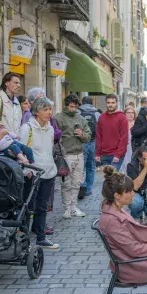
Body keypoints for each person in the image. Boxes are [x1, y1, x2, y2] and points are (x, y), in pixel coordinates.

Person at [20, 98, 59, 250]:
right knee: (28, 207)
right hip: (33, 173)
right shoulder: (27, 128)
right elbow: (22, 152)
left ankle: (41, 238)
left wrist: (52, 168)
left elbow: (49, 150)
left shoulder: (50, 128)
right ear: (36, 112)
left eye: (50, 109)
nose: (49, 112)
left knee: (42, 207)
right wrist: (26, 170)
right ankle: (24, 240)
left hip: (49, 172)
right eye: (45, 109)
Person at [55, 94, 91, 219]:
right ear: (66, 105)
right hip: (65, 155)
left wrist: (82, 134)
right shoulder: (58, 118)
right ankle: (66, 208)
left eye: (76, 107)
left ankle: (74, 207)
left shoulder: (81, 119)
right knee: (66, 184)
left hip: (79, 154)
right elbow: (54, 137)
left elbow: (88, 135)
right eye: (71, 106)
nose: (74, 109)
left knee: (76, 183)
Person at [95, 94, 129, 169]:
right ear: (106, 103)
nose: (110, 105)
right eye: (108, 102)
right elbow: (98, 137)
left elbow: (124, 138)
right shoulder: (101, 117)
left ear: (116, 103)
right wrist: (97, 154)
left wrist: (118, 155)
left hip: (116, 154)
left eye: (113, 103)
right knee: (106, 178)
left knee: (113, 178)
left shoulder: (122, 117)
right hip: (104, 154)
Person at [78, 96, 100, 198]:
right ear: (92, 103)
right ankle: (88, 189)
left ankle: (80, 188)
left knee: (80, 167)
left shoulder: (78, 112)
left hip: (81, 142)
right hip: (93, 142)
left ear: (82, 102)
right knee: (91, 167)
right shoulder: (97, 113)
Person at [120, 105, 136, 174]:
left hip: (134, 148)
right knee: (124, 166)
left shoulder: (137, 124)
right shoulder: (121, 124)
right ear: (125, 113)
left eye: (132, 113)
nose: (131, 114)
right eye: (128, 112)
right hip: (124, 148)